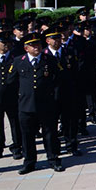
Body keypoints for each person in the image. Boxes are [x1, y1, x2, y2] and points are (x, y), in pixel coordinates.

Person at [8, 32, 64, 174]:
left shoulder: (49, 60)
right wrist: (18, 99)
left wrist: (55, 98)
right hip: (26, 106)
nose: (36, 48)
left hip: (46, 104)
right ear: (26, 48)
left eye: (38, 44)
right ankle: (29, 162)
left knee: (50, 134)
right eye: (32, 46)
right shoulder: (18, 61)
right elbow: (11, 82)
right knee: (27, 136)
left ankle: (53, 159)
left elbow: (58, 80)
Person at [44, 27, 82, 156]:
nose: (57, 41)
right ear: (48, 41)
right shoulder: (44, 56)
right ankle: (54, 150)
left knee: (70, 122)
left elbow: (76, 73)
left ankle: (72, 145)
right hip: (50, 96)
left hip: (68, 93)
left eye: (58, 38)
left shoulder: (69, 52)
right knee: (52, 124)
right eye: (53, 39)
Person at [0, 32, 23, 161]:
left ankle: (17, 147)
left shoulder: (16, 58)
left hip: (12, 96)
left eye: (8, 43)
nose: (6, 46)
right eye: (3, 43)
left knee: (15, 123)